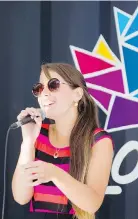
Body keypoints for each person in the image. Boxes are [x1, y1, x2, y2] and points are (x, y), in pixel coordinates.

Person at [12, 63, 114, 219]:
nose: (44, 93)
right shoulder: (38, 132)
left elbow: (92, 203)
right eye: (39, 88)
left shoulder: (98, 141)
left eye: (53, 85)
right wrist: (27, 142)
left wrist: (55, 174)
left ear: (77, 94)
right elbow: (20, 197)